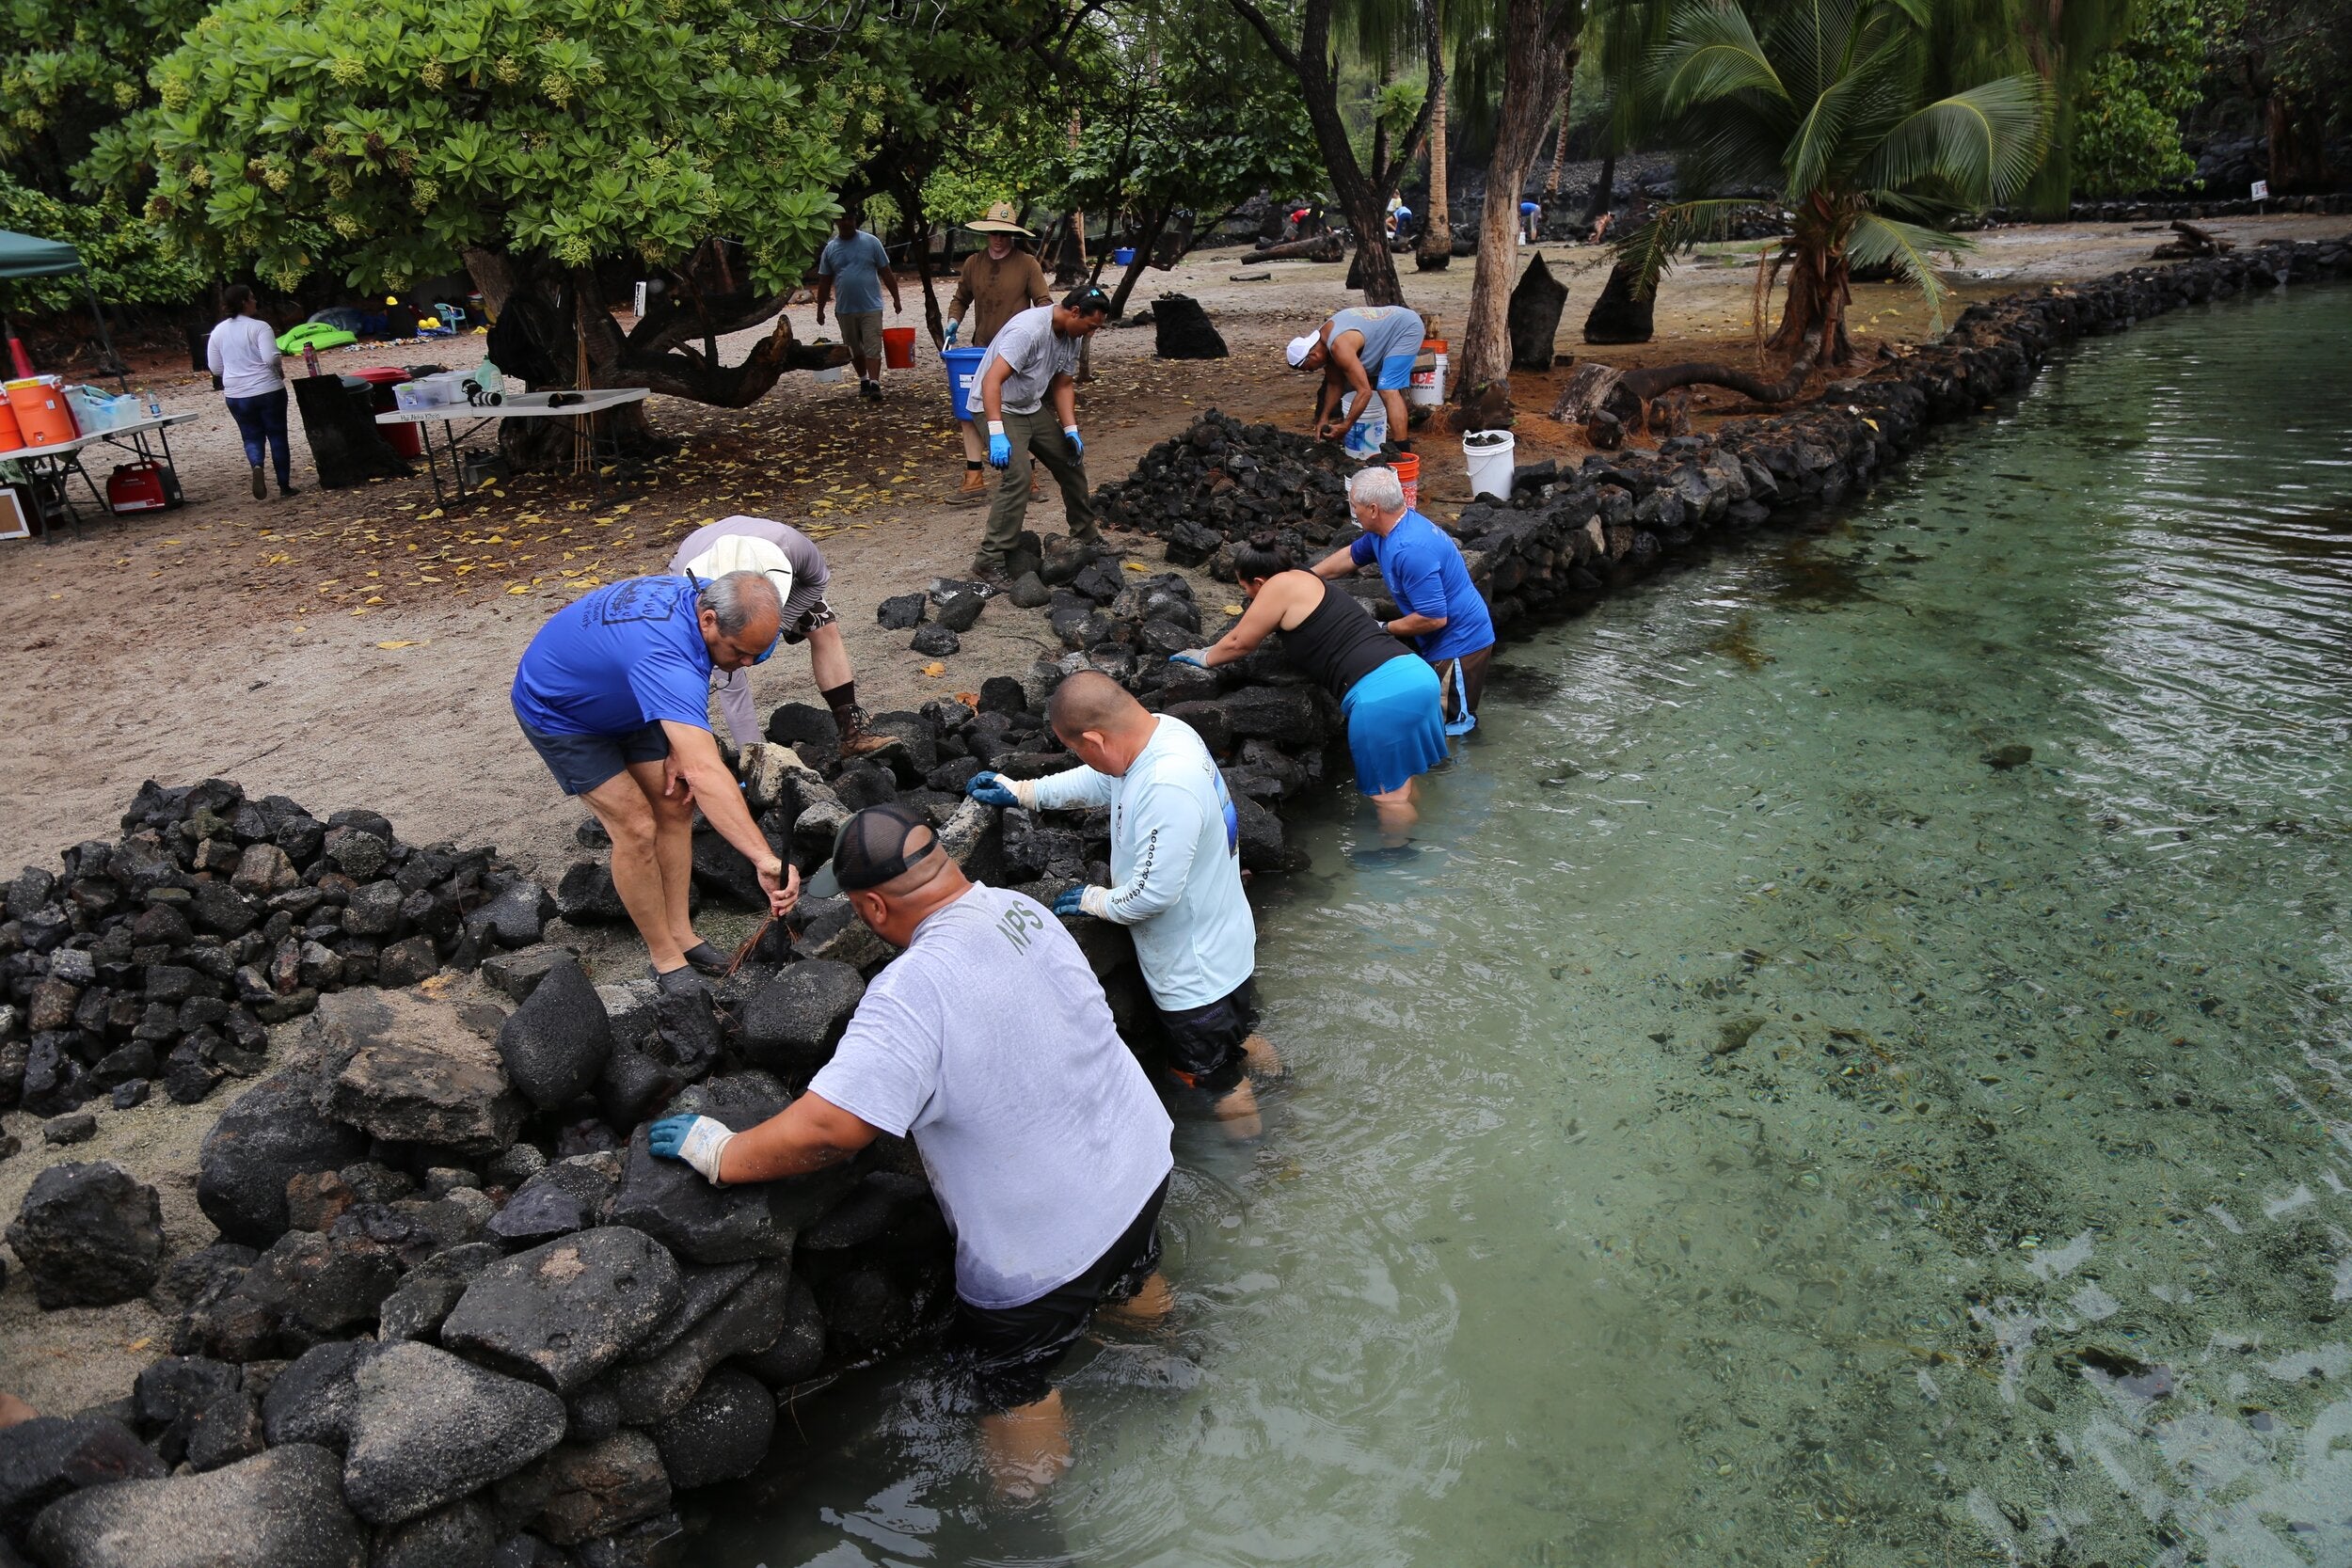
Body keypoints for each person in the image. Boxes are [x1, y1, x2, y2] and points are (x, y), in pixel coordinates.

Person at [645, 803, 1174, 1499]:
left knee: (1013, 1380)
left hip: (1042, 1254)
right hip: (1140, 1164)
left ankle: (1027, 1516)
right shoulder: (1021, 909)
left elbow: (830, 1130)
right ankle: (1172, 1366)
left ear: (870, 905)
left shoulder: (912, 990)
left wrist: (721, 1151)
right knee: (1131, 1272)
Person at [964, 672, 1271, 1135]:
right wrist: (1027, 792)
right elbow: (1104, 779)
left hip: (1195, 975)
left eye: (1078, 748)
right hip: (1228, 948)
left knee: (1215, 1081)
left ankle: (1258, 1166)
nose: (1081, 758)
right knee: (1241, 1036)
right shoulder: (1163, 732)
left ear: (1095, 737)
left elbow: (1152, 895)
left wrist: (1094, 900)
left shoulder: (1166, 786)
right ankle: (1286, 1089)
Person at [511, 571, 800, 986]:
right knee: (636, 826)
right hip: (561, 710)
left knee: (675, 802)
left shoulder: (710, 594)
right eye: (739, 653)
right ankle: (665, 956)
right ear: (708, 620)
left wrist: (677, 745)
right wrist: (764, 859)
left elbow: (691, 749)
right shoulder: (663, 654)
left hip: (630, 693)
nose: (748, 664)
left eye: (760, 653)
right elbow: (705, 771)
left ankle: (681, 934)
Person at [1174, 538, 1447, 833]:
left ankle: (1396, 866)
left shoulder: (1275, 587)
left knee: (1388, 798)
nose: (1249, 598)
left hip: (1381, 697)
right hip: (1416, 675)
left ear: (1258, 581)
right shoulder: (1307, 576)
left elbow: (1240, 643)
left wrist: (1204, 657)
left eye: (1246, 589)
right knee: (1400, 782)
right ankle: (1418, 844)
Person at [667, 516, 886, 757]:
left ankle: (852, 735)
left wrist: (779, 624)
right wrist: (757, 764)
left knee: (823, 626)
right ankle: (754, 756)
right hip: (707, 579)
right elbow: (731, 685)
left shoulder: (790, 546)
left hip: (765, 568)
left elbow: (817, 580)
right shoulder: (688, 585)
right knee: (727, 666)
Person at [1311, 466, 1497, 732]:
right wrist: (1306, 576)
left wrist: (1383, 629)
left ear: (1373, 509)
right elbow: (1351, 556)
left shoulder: (1410, 550)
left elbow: (1434, 618)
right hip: (1440, 641)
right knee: (1430, 723)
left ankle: (1458, 771)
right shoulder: (1384, 531)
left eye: (1355, 506)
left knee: (1451, 726)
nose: (1353, 512)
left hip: (1460, 644)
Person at [970, 286, 1114, 582]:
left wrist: (1071, 431)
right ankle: (989, 559)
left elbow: (1062, 385)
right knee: (1019, 476)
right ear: (1074, 312)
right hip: (996, 406)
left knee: (1071, 460)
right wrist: (996, 433)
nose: (1092, 333)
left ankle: (1086, 535)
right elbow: (991, 382)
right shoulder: (1029, 331)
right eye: (1091, 326)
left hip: (1029, 406)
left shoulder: (1071, 336)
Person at [946, 202, 1055, 503]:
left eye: (1005, 234)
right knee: (969, 409)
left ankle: (1028, 478)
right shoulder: (973, 263)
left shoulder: (1027, 264)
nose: (998, 238)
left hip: (1018, 350)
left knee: (1020, 408)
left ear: (1013, 236)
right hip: (981, 348)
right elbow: (961, 297)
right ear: (986, 233)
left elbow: (1044, 301)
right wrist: (954, 320)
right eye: (994, 233)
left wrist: (1043, 333)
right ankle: (973, 478)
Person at [1285, 304, 1425, 454]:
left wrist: (1346, 426)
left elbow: (1364, 392)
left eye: (1309, 368)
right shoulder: (1324, 345)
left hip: (1406, 328)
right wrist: (1323, 418)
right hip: (1389, 328)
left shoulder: (1339, 346)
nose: (1312, 371)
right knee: (1377, 383)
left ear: (1313, 355)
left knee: (1387, 388)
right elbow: (1334, 384)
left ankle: (1402, 452)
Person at [206, 284, 295, 500]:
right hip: (267, 389)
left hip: (236, 393)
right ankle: (284, 485)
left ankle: (257, 464)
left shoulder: (218, 331)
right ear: (244, 302)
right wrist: (277, 369)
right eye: (253, 297)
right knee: (277, 435)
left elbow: (215, 368)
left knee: (251, 436)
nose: (256, 301)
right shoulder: (260, 327)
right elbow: (271, 358)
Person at [815, 207, 902, 403]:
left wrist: (896, 298)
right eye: (842, 219)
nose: (846, 222)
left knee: (873, 346)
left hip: (871, 306)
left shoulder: (871, 243)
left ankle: (874, 383)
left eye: (849, 218)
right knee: (854, 349)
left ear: (855, 220)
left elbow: (886, 272)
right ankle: (863, 380)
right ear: (836, 222)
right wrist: (820, 310)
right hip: (845, 308)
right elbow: (824, 281)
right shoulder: (831, 249)